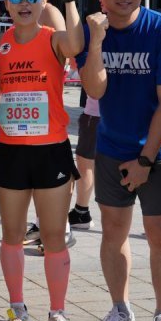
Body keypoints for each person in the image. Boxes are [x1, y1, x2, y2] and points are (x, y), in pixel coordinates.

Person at [77, 0, 161, 321]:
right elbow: (95, 90)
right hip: (110, 146)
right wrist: (98, 40)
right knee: (113, 233)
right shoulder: (92, 31)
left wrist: (145, 162)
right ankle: (120, 312)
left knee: (159, 237)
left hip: (158, 150)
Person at [0, 0, 83, 321]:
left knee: (53, 237)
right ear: (6, 4)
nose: (24, 5)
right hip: (11, 152)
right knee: (12, 235)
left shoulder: (53, 40)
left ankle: (58, 314)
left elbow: (75, 44)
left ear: (42, 2)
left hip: (51, 151)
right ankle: (17, 309)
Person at [69, 89, 98, 229]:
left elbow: (76, 66)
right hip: (134, 113)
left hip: (97, 113)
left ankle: (81, 211)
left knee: (85, 162)